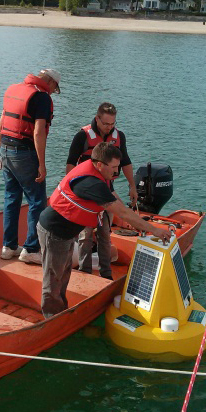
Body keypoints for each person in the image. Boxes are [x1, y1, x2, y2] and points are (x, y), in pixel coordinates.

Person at [37, 142, 171, 319]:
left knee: (64, 274)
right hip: (54, 233)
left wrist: (133, 219)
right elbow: (120, 212)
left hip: (66, 233)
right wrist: (154, 230)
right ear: (100, 164)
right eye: (114, 167)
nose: (117, 172)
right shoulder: (91, 183)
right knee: (54, 279)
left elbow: (114, 199)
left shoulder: (100, 173)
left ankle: (60, 310)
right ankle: (51, 318)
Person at [66, 102, 138, 280]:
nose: (109, 127)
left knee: (105, 234)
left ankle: (106, 274)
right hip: (86, 193)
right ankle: (85, 272)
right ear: (97, 119)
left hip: (107, 191)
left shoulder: (118, 136)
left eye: (112, 124)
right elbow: (70, 164)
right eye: (106, 124)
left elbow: (126, 161)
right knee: (85, 235)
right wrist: (74, 190)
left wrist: (132, 185)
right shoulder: (82, 136)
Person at [0, 68, 61, 265]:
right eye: (54, 89)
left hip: (6, 149)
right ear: (50, 83)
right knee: (37, 201)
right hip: (25, 153)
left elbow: (1, 123)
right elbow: (38, 132)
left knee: (11, 198)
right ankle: (31, 249)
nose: (52, 93)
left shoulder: (13, 89)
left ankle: (8, 247)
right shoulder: (41, 97)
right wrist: (42, 164)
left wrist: (2, 153)